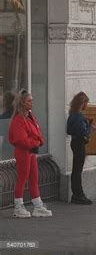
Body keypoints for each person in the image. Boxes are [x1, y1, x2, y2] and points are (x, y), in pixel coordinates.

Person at [9, 90, 52, 218]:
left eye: (32, 100)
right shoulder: (19, 119)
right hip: (24, 151)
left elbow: (37, 132)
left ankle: (37, 205)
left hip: (31, 151)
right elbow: (20, 139)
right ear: (22, 103)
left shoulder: (30, 116)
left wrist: (39, 141)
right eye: (29, 101)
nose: (32, 103)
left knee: (34, 178)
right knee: (23, 177)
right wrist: (36, 142)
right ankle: (18, 205)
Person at [67, 92, 96, 205]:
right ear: (82, 103)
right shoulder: (79, 117)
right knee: (78, 170)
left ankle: (77, 194)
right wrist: (91, 128)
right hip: (79, 143)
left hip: (74, 142)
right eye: (86, 103)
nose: (87, 106)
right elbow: (83, 132)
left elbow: (69, 130)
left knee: (76, 169)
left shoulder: (72, 115)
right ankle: (78, 194)